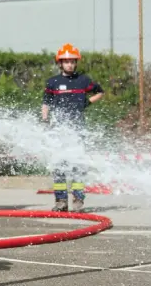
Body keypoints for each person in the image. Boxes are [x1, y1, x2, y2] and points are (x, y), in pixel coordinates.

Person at [42, 43, 104, 212]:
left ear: (76, 63)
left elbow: (100, 92)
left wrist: (87, 102)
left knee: (78, 165)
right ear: (60, 63)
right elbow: (46, 103)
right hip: (58, 131)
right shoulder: (53, 82)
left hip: (77, 130)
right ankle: (61, 201)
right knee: (59, 165)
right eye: (66, 61)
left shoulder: (83, 80)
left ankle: (78, 200)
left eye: (72, 61)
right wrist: (45, 118)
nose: (69, 64)